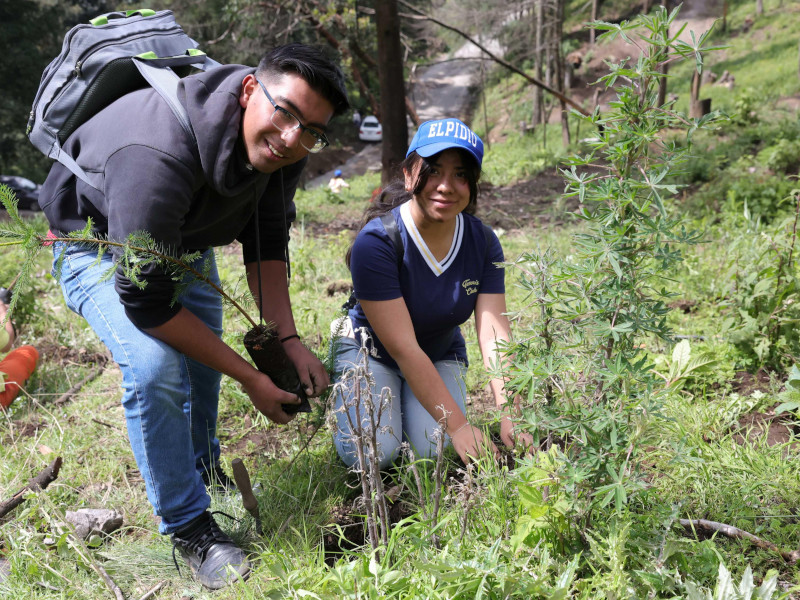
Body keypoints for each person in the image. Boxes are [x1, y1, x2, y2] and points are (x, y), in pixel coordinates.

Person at [38, 44, 348, 589]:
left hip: (178, 236)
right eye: (287, 113)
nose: (293, 138)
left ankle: (203, 468)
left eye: (313, 131)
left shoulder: (284, 146)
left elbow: (267, 239)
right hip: (99, 242)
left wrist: (290, 339)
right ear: (251, 90)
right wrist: (253, 378)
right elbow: (148, 303)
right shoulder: (155, 152)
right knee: (156, 367)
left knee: (205, 365)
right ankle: (189, 526)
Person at [332, 117, 530, 470]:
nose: (446, 186)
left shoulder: (482, 242)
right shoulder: (376, 243)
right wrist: (460, 426)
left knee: (429, 451)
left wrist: (512, 412)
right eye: (433, 171)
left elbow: (494, 333)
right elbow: (404, 348)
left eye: (460, 175)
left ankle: (414, 408)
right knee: (375, 454)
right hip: (372, 353)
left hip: (439, 353)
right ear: (409, 174)